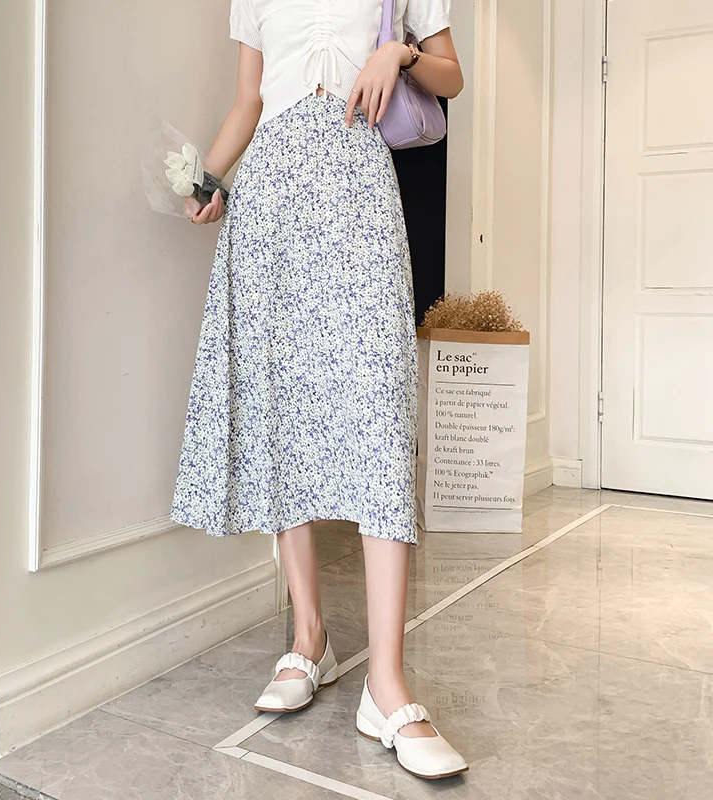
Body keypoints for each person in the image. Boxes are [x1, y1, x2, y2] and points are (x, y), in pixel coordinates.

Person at [171, 0, 466, 780]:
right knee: (281, 410)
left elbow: (451, 77)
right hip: (270, 199)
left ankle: (387, 683)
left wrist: (399, 55)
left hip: (359, 189)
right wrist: (205, 178)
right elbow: (248, 102)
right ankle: (309, 639)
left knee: (380, 414)